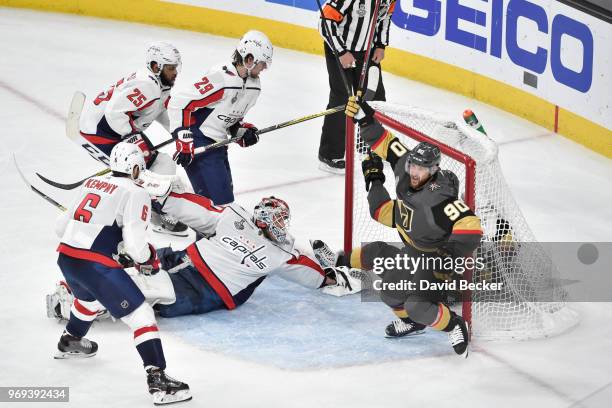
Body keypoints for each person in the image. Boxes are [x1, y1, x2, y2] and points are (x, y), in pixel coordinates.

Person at [343, 96, 483, 357]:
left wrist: (449, 256)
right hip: (413, 254)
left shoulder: (439, 197)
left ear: (433, 170)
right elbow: (386, 143)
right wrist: (365, 118)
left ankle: (455, 324)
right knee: (388, 293)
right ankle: (414, 323)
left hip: (436, 264)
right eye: (413, 165)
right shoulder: (406, 169)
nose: (415, 172)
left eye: (421, 168)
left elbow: (472, 227)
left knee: (418, 304)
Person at [53, 143, 192, 405]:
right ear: (135, 167)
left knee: (89, 301)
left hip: (67, 257)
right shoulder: (135, 191)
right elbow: (136, 245)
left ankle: (71, 339)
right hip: (95, 265)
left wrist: (105, 244)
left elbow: (61, 227)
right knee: (142, 315)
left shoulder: (93, 182)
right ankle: (158, 380)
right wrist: (147, 257)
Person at [78, 41, 187, 235]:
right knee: (142, 167)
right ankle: (147, 211)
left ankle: (150, 207)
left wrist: (179, 131)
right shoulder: (147, 85)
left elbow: (163, 111)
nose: (175, 72)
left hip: (114, 130)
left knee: (159, 162)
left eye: (175, 67)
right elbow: (114, 113)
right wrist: (132, 139)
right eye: (171, 68)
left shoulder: (160, 84)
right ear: (156, 66)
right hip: (100, 132)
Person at [168, 30, 272, 205]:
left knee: (223, 206)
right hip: (199, 142)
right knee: (218, 206)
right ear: (249, 59)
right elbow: (179, 103)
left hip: (218, 146)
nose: (264, 68)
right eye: (262, 63)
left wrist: (241, 131)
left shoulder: (254, 86)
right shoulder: (222, 79)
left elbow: (230, 119)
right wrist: (183, 140)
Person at [317, 0, 396, 173]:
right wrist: (341, 52)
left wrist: (381, 45)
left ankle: (369, 144)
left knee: (375, 97)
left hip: (367, 50)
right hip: (339, 49)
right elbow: (324, 22)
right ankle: (329, 155)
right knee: (343, 100)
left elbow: (385, 17)